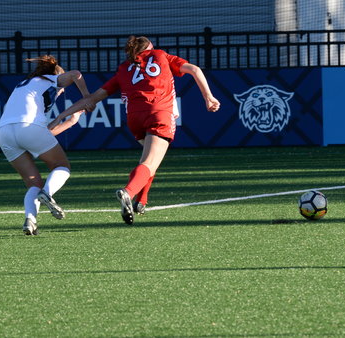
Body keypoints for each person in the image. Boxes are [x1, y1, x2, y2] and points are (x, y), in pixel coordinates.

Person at [49, 36, 220, 225]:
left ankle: (141, 201)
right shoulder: (161, 55)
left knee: (149, 161)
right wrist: (208, 97)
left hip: (135, 118)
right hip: (159, 113)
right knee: (150, 162)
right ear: (149, 47)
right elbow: (194, 69)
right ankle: (128, 193)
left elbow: (92, 98)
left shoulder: (124, 68)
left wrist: (60, 116)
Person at [0, 55, 90, 235]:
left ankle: (30, 220)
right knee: (62, 165)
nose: (61, 91)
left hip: (4, 133)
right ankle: (47, 193)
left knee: (34, 182)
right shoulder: (50, 80)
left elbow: (42, 135)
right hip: (28, 128)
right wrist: (87, 97)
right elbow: (75, 74)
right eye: (62, 89)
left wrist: (70, 122)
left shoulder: (26, 85)